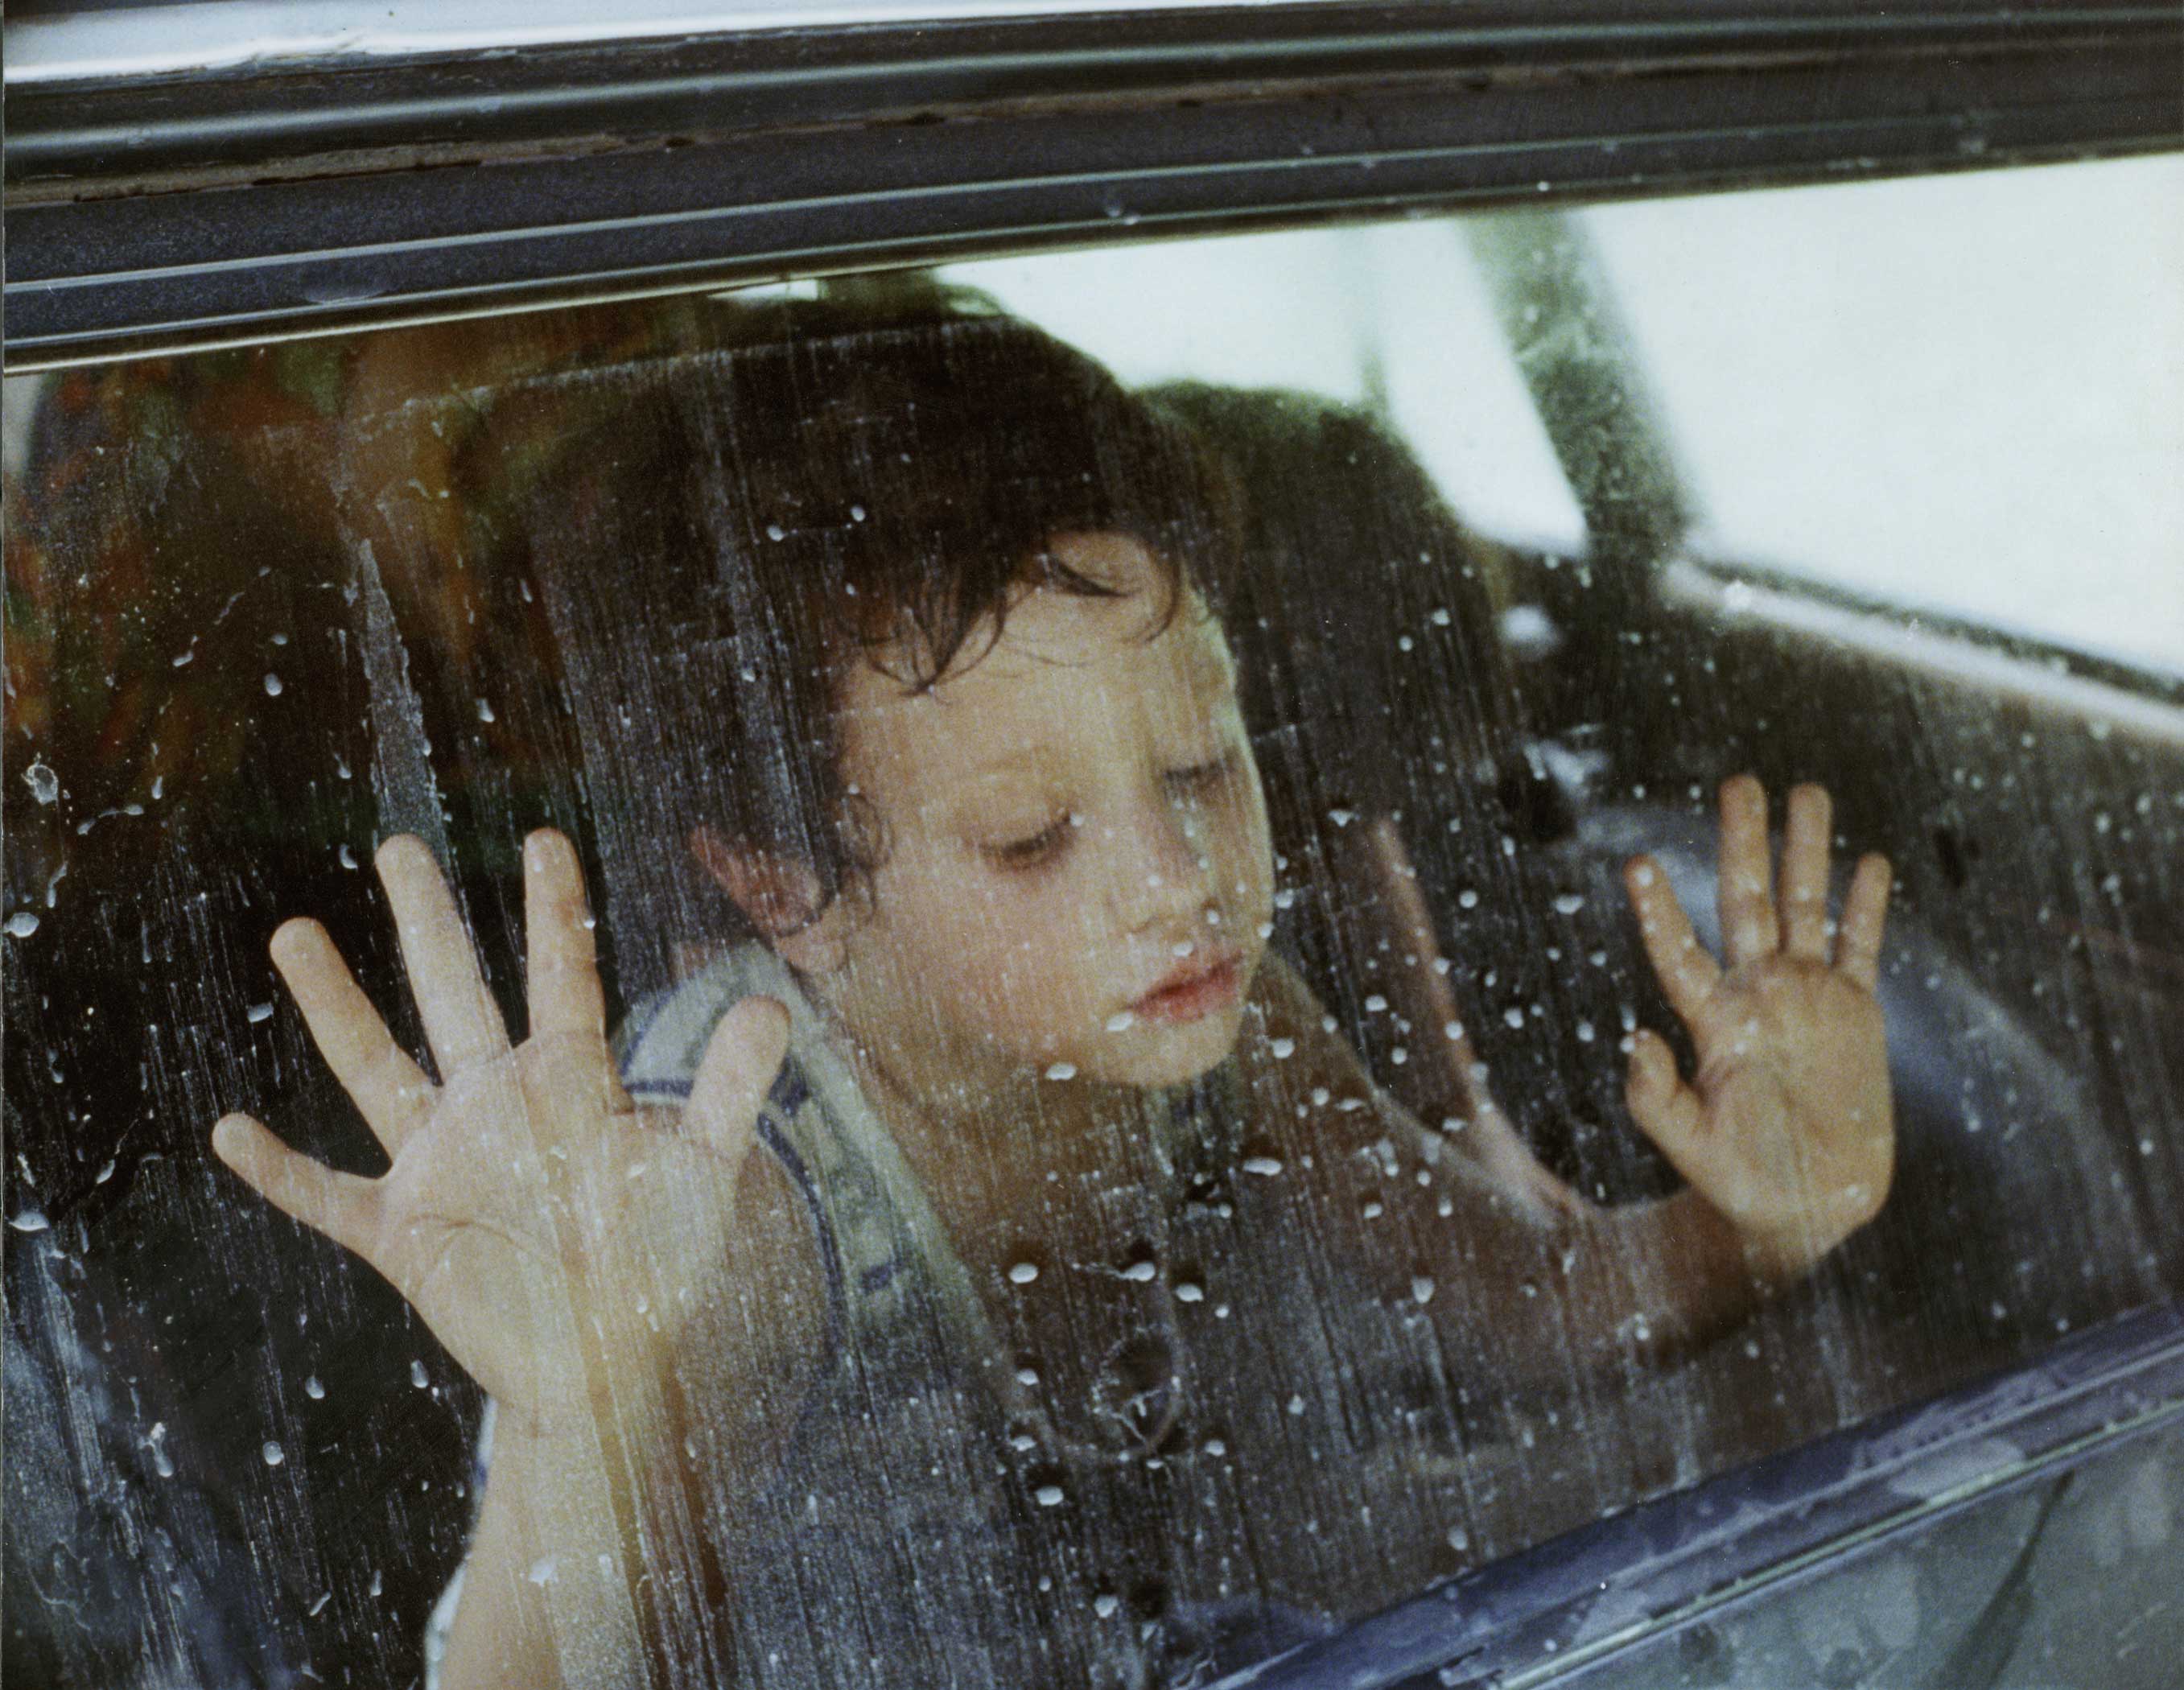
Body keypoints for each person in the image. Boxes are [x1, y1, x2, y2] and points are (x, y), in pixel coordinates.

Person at [208, 293, 1894, 1688]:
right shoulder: (731, 1181)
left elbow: (1512, 1295)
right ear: (787, 891)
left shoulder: (1214, 999)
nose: (1180, 880)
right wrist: (576, 1422)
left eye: (1204, 764)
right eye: (1030, 838)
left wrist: (1760, 1225)